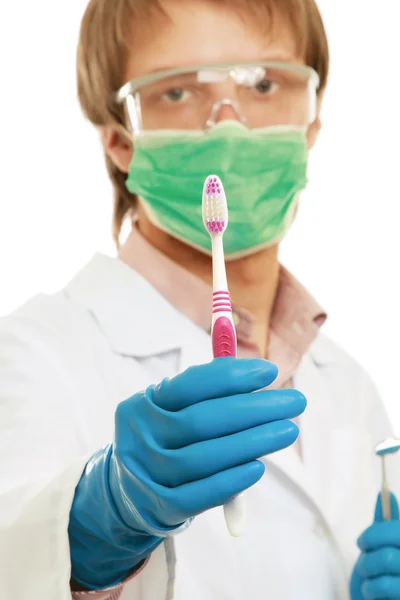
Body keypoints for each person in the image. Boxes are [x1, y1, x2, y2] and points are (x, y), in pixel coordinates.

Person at [1, 0, 400, 598]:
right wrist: (89, 537)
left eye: (264, 83)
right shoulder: (30, 357)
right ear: (119, 142)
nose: (230, 124)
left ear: (311, 123)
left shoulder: (350, 384)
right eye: (178, 92)